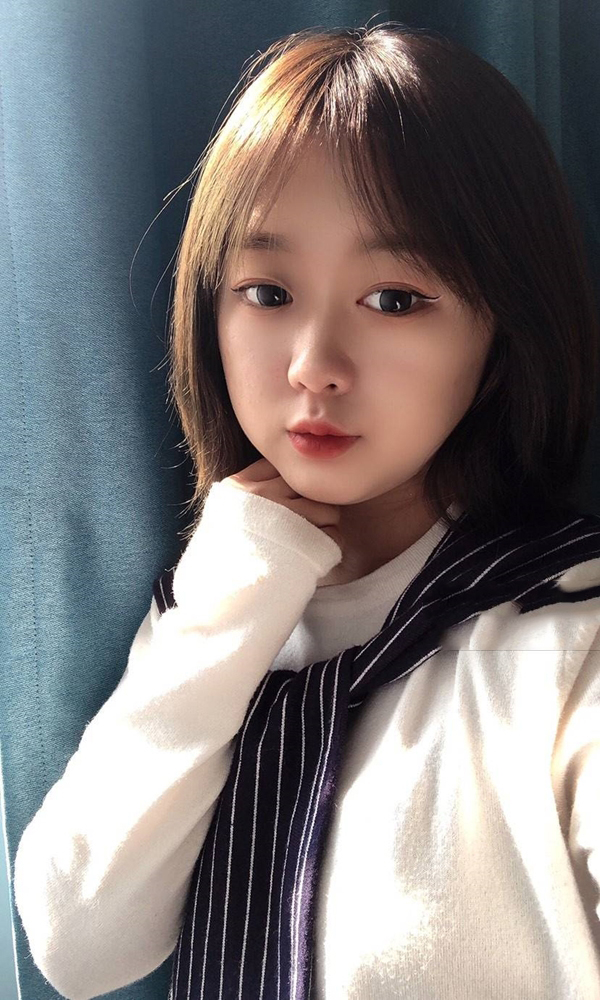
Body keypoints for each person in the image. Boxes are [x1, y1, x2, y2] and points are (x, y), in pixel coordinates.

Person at [13, 21, 600, 1000]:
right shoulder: (209, 609)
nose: (314, 365)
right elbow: (81, 946)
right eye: (267, 291)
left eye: (396, 299)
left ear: (500, 331)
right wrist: (235, 593)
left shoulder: (568, 634)